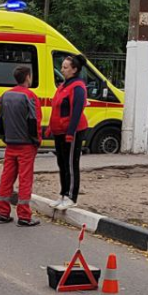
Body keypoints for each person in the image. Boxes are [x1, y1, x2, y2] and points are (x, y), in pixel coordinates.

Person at [0, 65, 41, 226]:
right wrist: (36, 140)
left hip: (10, 143)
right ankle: (24, 216)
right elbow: (34, 121)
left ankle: (2, 212)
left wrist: (5, 137)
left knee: (6, 178)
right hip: (26, 145)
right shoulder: (30, 96)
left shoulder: (5, 95)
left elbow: (0, 120)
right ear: (28, 77)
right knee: (25, 179)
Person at [48, 54, 89, 207]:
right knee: (62, 163)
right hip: (59, 131)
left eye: (65, 67)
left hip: (72, 131)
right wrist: (51, 127)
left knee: (71, 163)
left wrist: (71, 133)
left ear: (74, 70)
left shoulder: (78, 87)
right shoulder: (63, 86)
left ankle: (71, 196)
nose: (62, 70)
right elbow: (56, 108)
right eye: (62, 67)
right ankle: (63, 193)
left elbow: (77, 111)